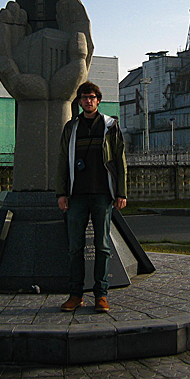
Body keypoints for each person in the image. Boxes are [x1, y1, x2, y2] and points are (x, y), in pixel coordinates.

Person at [56, 81, 127, 313]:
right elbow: (62, 161)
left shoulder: (110, 126)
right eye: (84, 97)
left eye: (92, 97)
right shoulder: (71, 127)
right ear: (79, 101)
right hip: (76, 195)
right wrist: (62, 193)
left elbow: (120, 160)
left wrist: (121, 192)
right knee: (75, 247)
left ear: (98, 100)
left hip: (102, 194)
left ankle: (101, 295)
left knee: (102, 246)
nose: (88, 101)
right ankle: (75, 295)